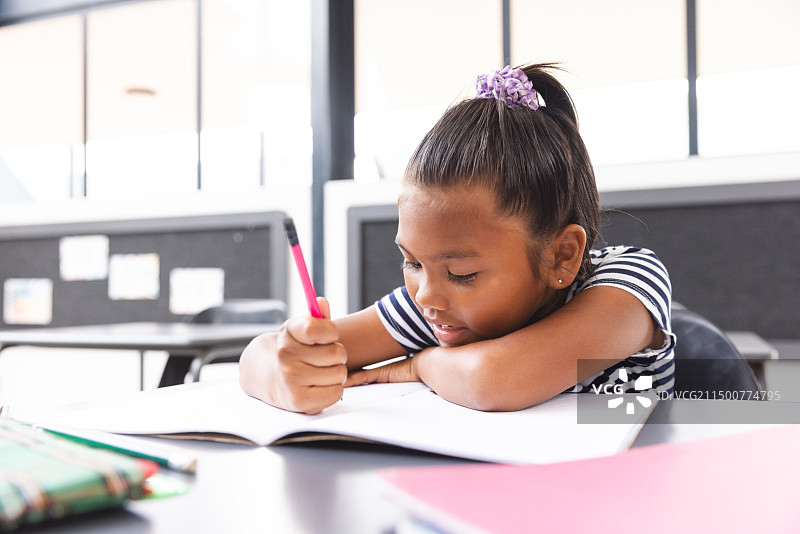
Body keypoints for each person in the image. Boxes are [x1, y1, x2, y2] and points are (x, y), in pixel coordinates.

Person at [240, 63, 676, 414]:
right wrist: (290, 374)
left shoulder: (630, 281)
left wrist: (417, 364)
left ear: (562, 255)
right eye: (412, 263)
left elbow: (496, 379)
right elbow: (259, 355)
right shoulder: (441, 310)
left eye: (462, 273)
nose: (427, 295)